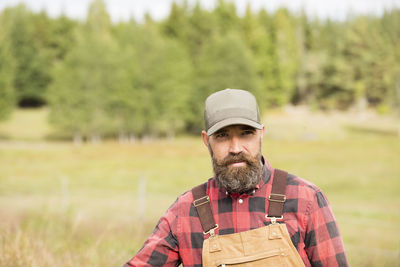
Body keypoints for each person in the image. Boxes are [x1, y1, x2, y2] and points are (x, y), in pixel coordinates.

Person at [124, 88, 348, 266]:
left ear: (261, 133)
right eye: (222, 136)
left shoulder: (305, 199)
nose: (235, 147)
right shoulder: (185, 211)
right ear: (206, 140)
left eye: (246, 133)